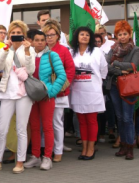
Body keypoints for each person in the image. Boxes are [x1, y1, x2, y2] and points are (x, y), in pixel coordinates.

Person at [0, 20, 35, 174]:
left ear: (24, 35)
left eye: (19, 33)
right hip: (6, 92)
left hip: (23, 93)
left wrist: (26, 51)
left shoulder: (29, 49)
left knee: (21, 129)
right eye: (13, 33)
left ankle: (20, 161)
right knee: (1, 129)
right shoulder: (5, 49)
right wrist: (5, 49)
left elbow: (31, 70)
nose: (16, 35)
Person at [24, 30, 66, 170]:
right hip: (31, 96)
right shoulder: (27, 54)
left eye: (43, 39)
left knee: (47, 127)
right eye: (37, 40)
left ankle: (47, 157)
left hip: (46, 97)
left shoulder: (52, 55)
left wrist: (51, 92)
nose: (40, 42)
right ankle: (35, 156)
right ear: (32, 41)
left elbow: (62, 75)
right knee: (35, 127)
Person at [70, 27, 108, 160]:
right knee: (81, 121)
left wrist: (97, 82)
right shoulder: (71, 52)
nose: (85, 36)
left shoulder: (97, 51)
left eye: (87, 35)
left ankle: (91, 148)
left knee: (91, 121)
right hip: (77, 91)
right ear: (77, 37)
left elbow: (104, 69)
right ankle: (84, 147)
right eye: (82, 34)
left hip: (92, 91)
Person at [42, 19, 75, 162]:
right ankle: (45, 149)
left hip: (59, 92)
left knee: (56, 122)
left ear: (57, 35)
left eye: (51, 35)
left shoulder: (63, 50)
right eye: (47, 35)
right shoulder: (39, 50)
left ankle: (58, 150)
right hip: (43, 93)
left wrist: (61, 85)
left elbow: (70, 69)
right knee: (44, 122)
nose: (49, 38)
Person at [106, 20, 139, 160]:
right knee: (119, 117)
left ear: (129, 34)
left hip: (128, 87)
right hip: (114, 86)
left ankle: (130, 146)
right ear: (116, 35)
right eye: (119, 34)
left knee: (127, 118)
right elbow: (106, 66)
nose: (122, 36)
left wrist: (116, 64)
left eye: (125, 34)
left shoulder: (135, 49)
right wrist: (120, 70)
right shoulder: (112, 48)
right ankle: (123, 145)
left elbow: (133, 66)